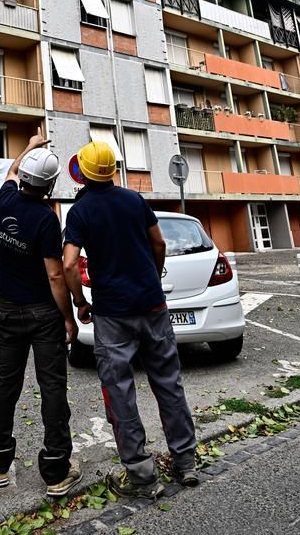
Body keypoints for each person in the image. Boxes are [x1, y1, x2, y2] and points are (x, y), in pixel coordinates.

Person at [61, 140, 199, 499]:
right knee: (169, 383)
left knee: (119, 391)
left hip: (112, 314)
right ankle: (186, 463)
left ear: (84, 174)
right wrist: (152, 278)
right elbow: (159, 245)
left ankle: (141, 475)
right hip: (152, 306)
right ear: (112, 170)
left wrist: (80, 302)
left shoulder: (80, 211)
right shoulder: (135, 200)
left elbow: (69, 263)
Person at [0, 132, 81, 497]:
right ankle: (56, 470)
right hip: (42, 314)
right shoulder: (45, 219)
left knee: (6, 383)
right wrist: (68, 316)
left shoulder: (5, 200)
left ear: (24, 176)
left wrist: (30, 145)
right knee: (52, 386)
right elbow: (56, 275)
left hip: (7, 311)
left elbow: (9, 171)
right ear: (51, 184)